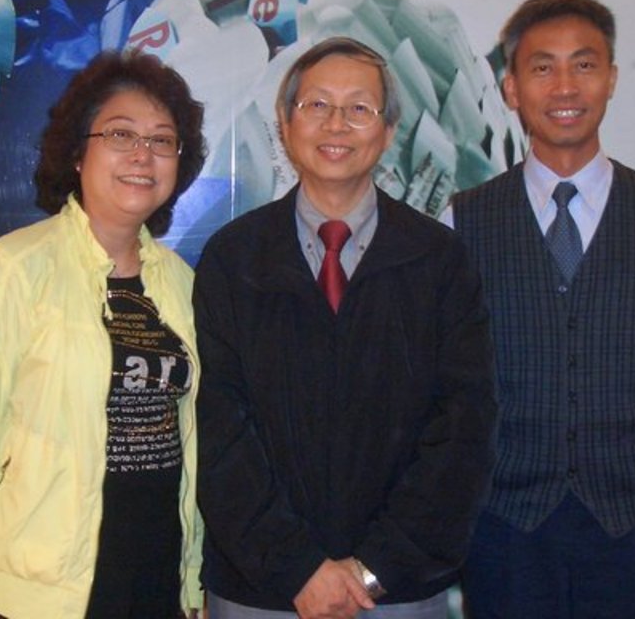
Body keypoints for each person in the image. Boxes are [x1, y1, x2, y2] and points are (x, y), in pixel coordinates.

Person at [193, 36, 498, 619]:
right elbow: (218, 428)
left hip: (398, 592)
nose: (336, 124)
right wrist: (296, 568)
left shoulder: (440, 260)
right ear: (285, 123)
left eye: (359, 107)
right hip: (261, 590)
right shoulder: (234, 257)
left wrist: (375, 569)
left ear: (388, 131)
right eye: (316, 105)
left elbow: (464, 428)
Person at [448, 0, 635, 618]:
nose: (565, 86)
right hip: (504, 522)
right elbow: (453, 378)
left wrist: (629, 455)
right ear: (512, 88)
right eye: (542, 67)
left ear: (612, 79)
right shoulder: (463, 220)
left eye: (585, 65)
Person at [0, 49, 208, 619]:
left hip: (156, 580)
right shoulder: (12, 271)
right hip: (45, 596)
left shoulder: (182, 283)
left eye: (162, 140)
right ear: (77, 153)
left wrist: (191, 579)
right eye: (120, 134)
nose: (142, 154)